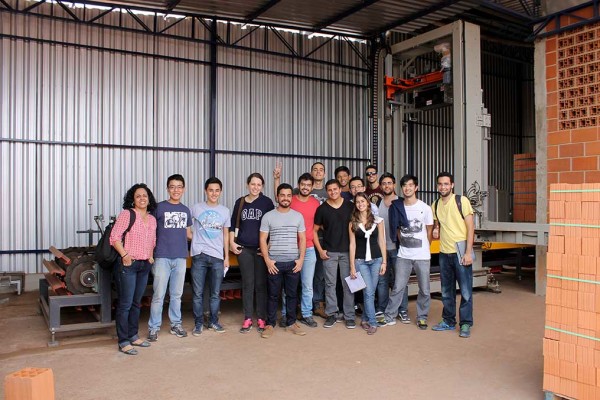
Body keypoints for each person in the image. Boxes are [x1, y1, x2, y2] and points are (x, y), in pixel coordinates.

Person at [380, 175, 433, 330]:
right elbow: (397, 230)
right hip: (403, 255)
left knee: (425, 288)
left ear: (416, 188)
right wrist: (403, 243)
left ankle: (422, 317)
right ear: (401, 188)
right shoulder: (397, 206)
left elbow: (429, 230)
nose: (407, 188)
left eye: (411, 185)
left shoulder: (425, 208)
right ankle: (389, 316)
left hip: (422, 256)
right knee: (398, 287)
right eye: (405, 186)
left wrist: (425, 248)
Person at [110, 183, 157, 355]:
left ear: (149, 198)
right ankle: (123, 341)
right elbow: (114, 237)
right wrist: (124, 255)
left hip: (144, 265)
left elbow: (152, 240)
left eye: (145, 195)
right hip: (129, 265)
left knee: (137, 303)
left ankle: (133, 335)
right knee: (125, 303)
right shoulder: (127, 214)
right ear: (133, 199)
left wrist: (150, 256)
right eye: (138, 196)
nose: (142, 199)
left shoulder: (152, 219)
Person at [148, 174, 192, 342]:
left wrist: (210, 237)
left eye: (179, 186)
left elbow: (188, 234)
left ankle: (176, 324)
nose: (176, 190)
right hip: (162, 257)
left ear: (184, 189)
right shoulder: (158, 208)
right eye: (172, 187)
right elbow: (150, 231)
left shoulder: (186, 210)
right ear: (167, 189)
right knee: (158, 295)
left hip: (180, 257)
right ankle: (153, 327)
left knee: (176, 294)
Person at [259, 183, 307, 338]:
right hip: (274, 264)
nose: (285, 198)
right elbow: (262, 239)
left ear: (291, 197)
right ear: (277, 197)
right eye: (282, 195)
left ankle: (291, 323)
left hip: (293, 263)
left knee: (292, 295)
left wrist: (300, 260)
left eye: (288, 195)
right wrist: (267, 260)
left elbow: (303, 239)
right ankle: (270, 324)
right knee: (273, 295)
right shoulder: (268, 216)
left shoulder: (298, 216)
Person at [431, 172, 475, 338]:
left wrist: (468, 252)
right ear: (437, 186)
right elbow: (438, 225)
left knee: (465, 291)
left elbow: (471, 228)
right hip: (444, 253)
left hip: (460, 252)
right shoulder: (434, 205)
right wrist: (436, 229)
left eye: (446, 184)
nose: (443, 187)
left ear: (452, 185)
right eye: (440, 184)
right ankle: (448, 321)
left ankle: (465, 324)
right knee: (446, 291)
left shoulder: (461, 201)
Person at [229, 173, 274, 334]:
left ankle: (261, 318)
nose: (255, 187)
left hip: (260, 250)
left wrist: (267, 247)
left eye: (259, 184)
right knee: (248, 284)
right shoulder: (240, 202)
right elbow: (233, 225)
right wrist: (232, 243)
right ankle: (248, 317)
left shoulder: (266, 202)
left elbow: (272, 226)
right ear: (248, 184)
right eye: (253, 184)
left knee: (261, 285)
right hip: (244, 249)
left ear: (262, 186)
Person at [190, 177, 231, 336]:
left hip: (217, 257)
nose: (214, 193)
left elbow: (226, 235)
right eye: (210, 190)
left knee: (215, 293)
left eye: (217, 190)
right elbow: (186, 226)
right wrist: (192, 239)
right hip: (199, 256)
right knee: (197, 293)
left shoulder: (225, 211)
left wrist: (226, 256)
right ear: (206, 191)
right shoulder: (196, 208)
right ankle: (198, 323)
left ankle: (213, 321)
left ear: (220, 192)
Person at [313, 179, 356, 329]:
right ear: (327, 191)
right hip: (329, 252)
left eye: (335, 189)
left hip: (346, 252)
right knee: (330, 284)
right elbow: (314, 230)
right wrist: (320, 250)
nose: (333, 192)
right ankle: (332, 314)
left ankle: (349, 315)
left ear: (340, 189)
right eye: (329, 190)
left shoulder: (350, 206)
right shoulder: (322, 209)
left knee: (348, 284)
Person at [349, 193, 386, 335]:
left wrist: (384, 261)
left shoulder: (378, 221)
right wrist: (352, 266)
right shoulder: (352, 223)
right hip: (360, 261)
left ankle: (364, 319)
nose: (360, 204)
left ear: (368, 203)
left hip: (376, 260)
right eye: (357, 202)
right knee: (368, 292)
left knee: (370, 292)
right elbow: (352, 245)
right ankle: (372, 322)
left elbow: (381, 241)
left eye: (362, 201)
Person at [376, 173, 409, 323]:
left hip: (397, 248)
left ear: (394, 185)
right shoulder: (378, 204)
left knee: (400, 280)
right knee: (382, 281)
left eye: (389, 183)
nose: (386, 186)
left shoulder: (401, 202)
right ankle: (382, 309)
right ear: (381, 186)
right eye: (384, 183)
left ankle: (402, 310)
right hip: (381, 249)